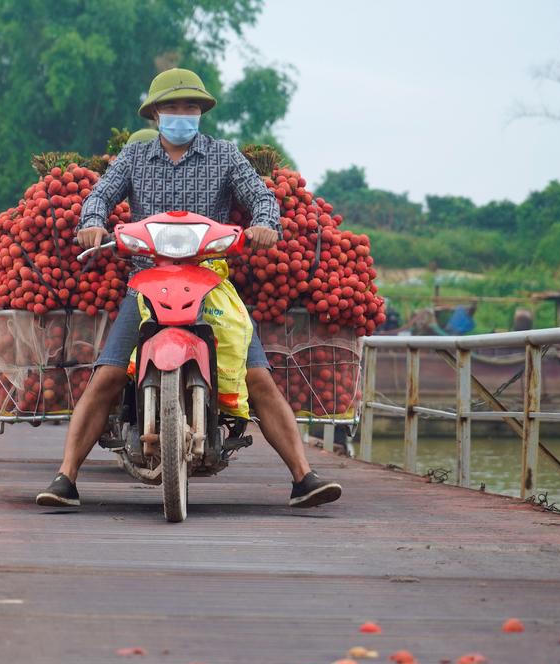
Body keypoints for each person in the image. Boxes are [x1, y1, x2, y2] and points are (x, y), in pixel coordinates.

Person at [35, 67, 342, 510]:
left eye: (191, 107)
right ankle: (66, 476)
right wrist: (92, 222)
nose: (183, 114)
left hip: (210, 284)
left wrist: (264, 224)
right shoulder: (134, 159)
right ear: (156, 114)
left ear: (201, 113)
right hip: (146, 284)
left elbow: (261, 197)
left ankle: (303, 476)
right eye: (173, 107)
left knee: (257, 376)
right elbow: (99, 196)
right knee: (105, 376)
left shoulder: (225, 156)